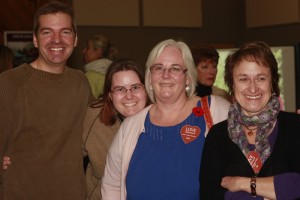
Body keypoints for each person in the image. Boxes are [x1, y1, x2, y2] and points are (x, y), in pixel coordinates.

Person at [101, 39, 230, 200]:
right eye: (158, 68)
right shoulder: (131, 126)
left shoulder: (216, 111)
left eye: (175, 68)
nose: (166, 75)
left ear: (188, 77)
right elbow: (111, 186)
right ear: (149, 77)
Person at [0, 1, 94, 199]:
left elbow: (96, 132)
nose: (57, 40)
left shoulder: (81, 82)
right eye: (47, 32)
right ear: (35, 39)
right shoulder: (11, 83)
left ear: (75, 39)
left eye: (65, 32)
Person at [200, 41, 300, 199]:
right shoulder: (217, 136)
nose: (253, 88)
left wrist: (241, 183)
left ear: (272, 82)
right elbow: (210, 195)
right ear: (232, 84)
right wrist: (275, 191)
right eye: (243, 79)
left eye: (261, 78)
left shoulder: (295, 127)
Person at [82, 58, 148, 200]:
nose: (129, 96)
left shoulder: (162, 120)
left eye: (135, 87)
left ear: (146, 90)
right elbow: (66, 158)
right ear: (110, 95)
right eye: (120, 89)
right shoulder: (94, 118)